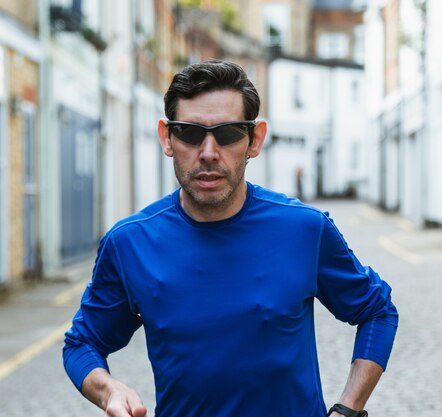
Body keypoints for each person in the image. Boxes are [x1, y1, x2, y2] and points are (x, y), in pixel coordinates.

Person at [63, 59, 398, 417]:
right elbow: (82, 343)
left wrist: (348, 410)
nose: (208, 152)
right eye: (191, 133)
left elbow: (377, 310)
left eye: (227, 133)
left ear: (254, 140)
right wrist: (108, 389)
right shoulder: (130, 243)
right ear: (167, 138)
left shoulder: (304, 228)